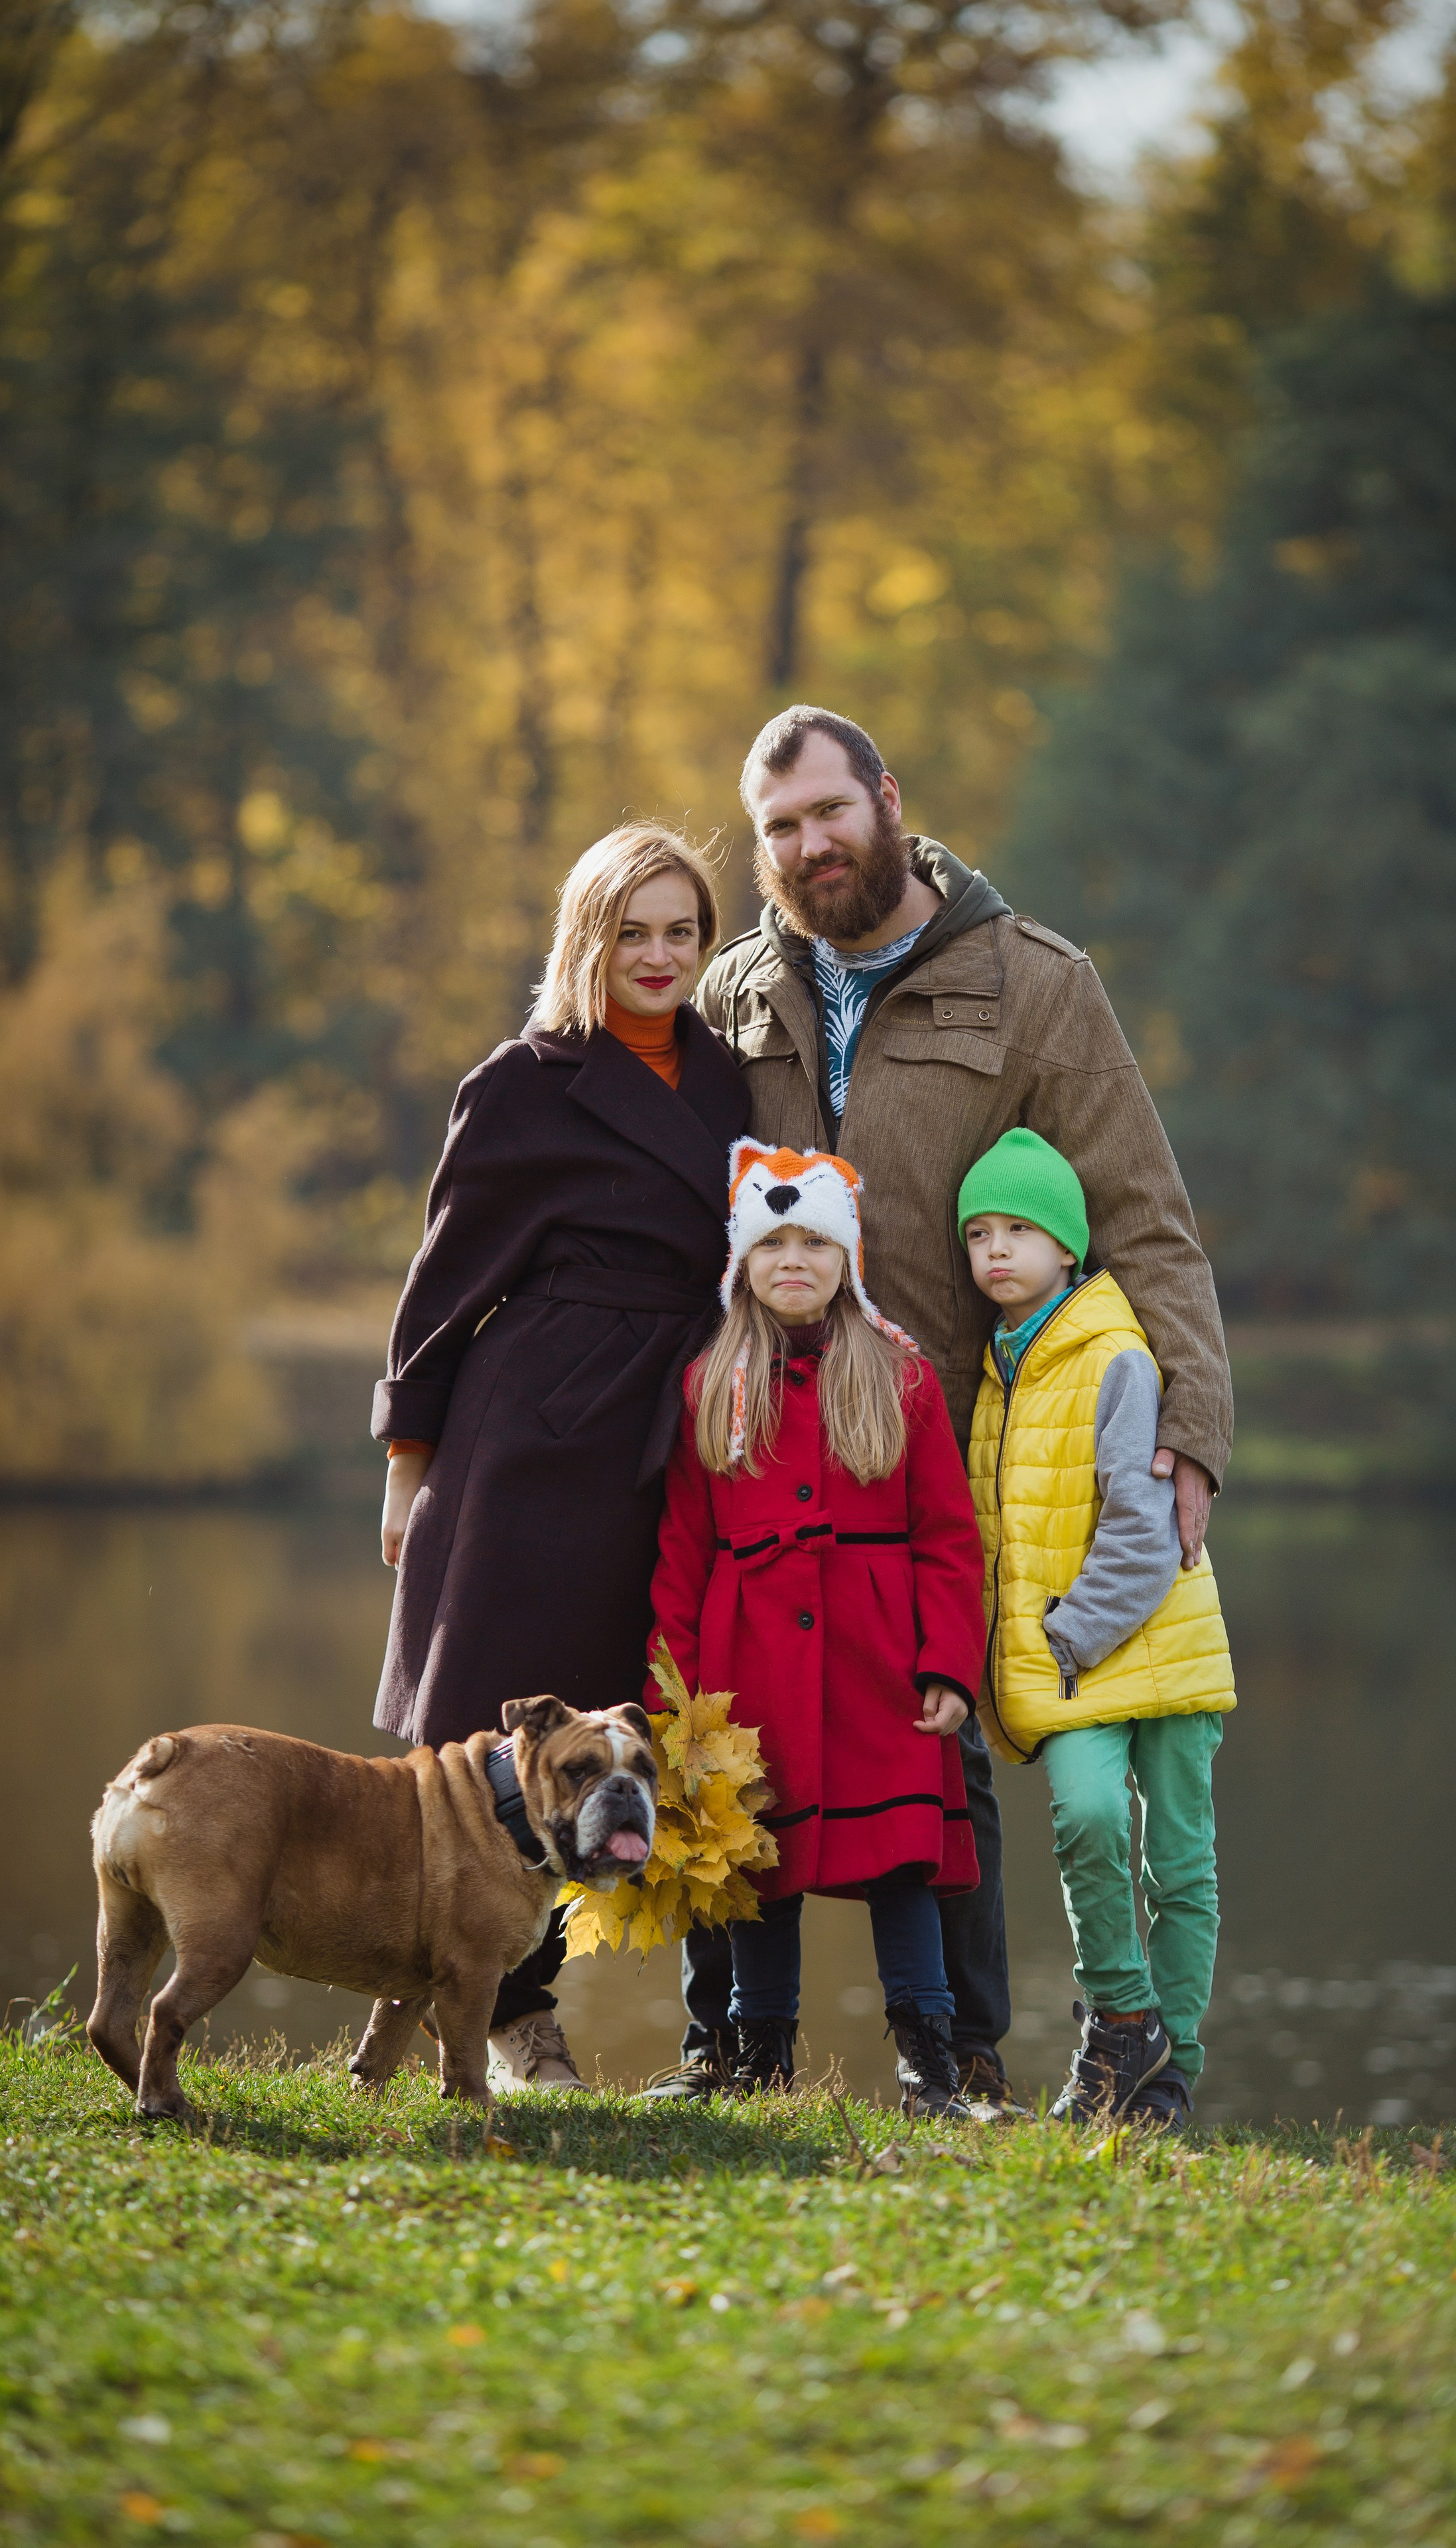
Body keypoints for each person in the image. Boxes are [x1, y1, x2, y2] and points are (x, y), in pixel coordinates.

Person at [655, 703, 1232, 2121]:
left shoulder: (1034, 983)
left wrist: (1191, 1434)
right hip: (761, 1441)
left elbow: (1144, 1221)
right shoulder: (734, 988)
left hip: (964, 1440)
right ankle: (727, 2048)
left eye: (826, 813)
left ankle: (973, 2056)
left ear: (886, 802)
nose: (806, 845)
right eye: (778, 827)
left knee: (945, 1743)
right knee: (737, 1742)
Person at [372, 823, 748, 2094]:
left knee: (629, 1715)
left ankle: (635, 2014)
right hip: (532, 1435)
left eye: (681, 932)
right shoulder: (524, 1082)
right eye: (632, 931)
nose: (658, 956)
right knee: (494, 1714)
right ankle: (502, 2020)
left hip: (676, 1425)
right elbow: (443, 1284)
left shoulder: (735, 1081)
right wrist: (408, 1463)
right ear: (587, 937)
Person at [647, 1142, 986, 2117]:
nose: (793, 1260)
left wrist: (947, 1666)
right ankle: (760, 2059)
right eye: (772, 1243)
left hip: (880, 1663)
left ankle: (931, 2061)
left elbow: (948, 1540)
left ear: (847, 1261)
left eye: (815, 1243)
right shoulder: (709, 1385)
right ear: (742, 1263)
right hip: (749, 1662)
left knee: (902, 1864)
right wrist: (677, 1698)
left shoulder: (902, 1375)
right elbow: (680, 1554)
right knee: (761, 1866)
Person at [959, 1127, 1236, 2129]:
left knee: (1182, 1862)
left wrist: (1067, 1638)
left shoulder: (1115, 1353)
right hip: (1072, 1661)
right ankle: (1125, 2015)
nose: (995, 1250)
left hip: (1148, 1640)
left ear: (1067, 1247)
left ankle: (1168, 2073)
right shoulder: (997, 1370)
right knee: (1087, 1818)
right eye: (979, 1233)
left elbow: (1146, 1529)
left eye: (1018, 1231)